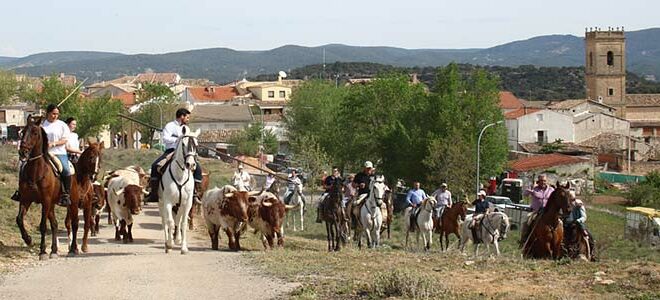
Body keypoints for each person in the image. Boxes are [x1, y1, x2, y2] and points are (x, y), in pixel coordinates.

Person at [11, 104, 73, 205]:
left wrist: (53, 143)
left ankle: (65, 194)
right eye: (53, 113)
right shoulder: (42, 125)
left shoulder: (62, 125)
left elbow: (65, 140)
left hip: (58, 152)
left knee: (65, 170)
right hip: (43, 153)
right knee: (23, 166)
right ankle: (20, 191)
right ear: (48, 113)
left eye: (57, 114)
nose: (55, 116)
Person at [148, 108, 204, 203]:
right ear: (181, 116)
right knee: (155, 166)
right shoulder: (170, 126)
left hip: (184, 152)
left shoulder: (187, 128)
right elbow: (165, 138)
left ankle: (194, 193)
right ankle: (154, 193)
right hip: (171, 150)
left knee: (198, 168)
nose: (188, 119)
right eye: (187, 117)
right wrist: (178, 139)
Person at [520, 175, 555, 246]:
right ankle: (524, 239)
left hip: (547, 211)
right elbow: (525, 194)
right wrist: (531, 190)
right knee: (527, 221)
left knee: (559, 221)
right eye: (541, 181)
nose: (543, 182)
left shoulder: (551, 190)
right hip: (536, 211)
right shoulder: (535, 189)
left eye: (544, 181)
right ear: (538, 182)